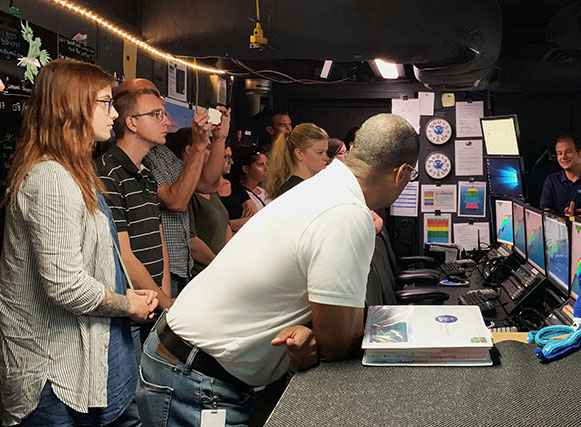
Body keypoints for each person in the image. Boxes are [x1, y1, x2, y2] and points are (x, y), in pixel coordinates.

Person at [135, 113, 419, 425]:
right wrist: (317, 337)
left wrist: (312, 332)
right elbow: (337, 341)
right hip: (195, 378)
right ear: (402, 172)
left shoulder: (324, 186)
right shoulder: (346, 212)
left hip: (188, 361)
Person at [0, 59, 158, 425]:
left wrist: (132, 295)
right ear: (72, 107)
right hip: (53, 376)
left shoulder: (75, 171)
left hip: (87, 362)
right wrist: (127, 304)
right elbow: (65, 285)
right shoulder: (51, 179)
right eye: (105, 102)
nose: (115, 114)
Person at [118, 79, 230, 298]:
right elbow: (175, 201)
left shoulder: (163, 154)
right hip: (153, 274)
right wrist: (199, 145)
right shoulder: (133, 160)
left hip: (180, 266)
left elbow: (206, 184)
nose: (166, 120)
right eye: (156, 112)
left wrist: (219, 139)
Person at [95, 87, 173, 353]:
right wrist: (165, 303)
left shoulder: (146, 170)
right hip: (128, 307)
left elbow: (157, 232)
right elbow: (123, 255)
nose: (167, 122)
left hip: (153, 303)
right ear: (132, 123)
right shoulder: (107, 172)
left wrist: (163, 298)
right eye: (157, 114)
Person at [165, 128, 234, 276]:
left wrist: (229, 257)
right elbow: (192, 240)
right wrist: (218, 263)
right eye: (208, 147)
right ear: (190, 149)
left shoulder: (209, 188)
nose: (216, 154)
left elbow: (225, 224)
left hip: (221, 268)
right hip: (201, 272)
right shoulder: (182, 187)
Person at [265, 123, 329, 199]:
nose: (326, 158)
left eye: (326, 152)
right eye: (320, 152)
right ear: (299, 154)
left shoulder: (306, 187)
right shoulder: (294, 191)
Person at [219, 143, 257, 232]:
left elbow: (252, 218)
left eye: (231, 157)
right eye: (226, 157)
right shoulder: (199, 188)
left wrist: (224, 225)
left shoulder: (236, 187)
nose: (231, 162)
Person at [232, 145, 270, 212]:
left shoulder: (264, 191)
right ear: (246, 169)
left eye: (266, 164)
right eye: (260, 165)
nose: (266, 169)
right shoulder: (241, 196)